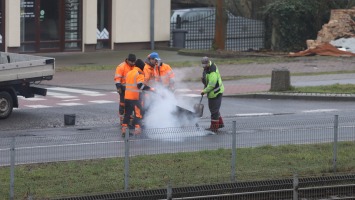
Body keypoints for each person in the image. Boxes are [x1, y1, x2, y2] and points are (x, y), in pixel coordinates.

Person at [121, 59, 155, 136]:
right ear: (141, 67)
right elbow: (140, 85)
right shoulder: (139, 73)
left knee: (127, 114)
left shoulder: (129, 72)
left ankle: (124, 130)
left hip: (127, 97)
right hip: (135, 97)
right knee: (138, 114)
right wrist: (150, 89)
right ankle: (137, 130)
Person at [200, 56, 225, 132]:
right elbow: (206, 78)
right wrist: (204, 81)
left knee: (214, 111)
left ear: (208, 63)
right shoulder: (206, 68)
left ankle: (214, 128)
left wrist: (204, 91)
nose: (203, 66)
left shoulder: (212, 70)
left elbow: (212, 85)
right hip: (212, 92)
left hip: (216, 92)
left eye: (204, 65)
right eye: (202, 65)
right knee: (214, 109)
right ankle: (220, 124)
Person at [114, 54, 136, 124]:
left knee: (132, 103)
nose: (132, 63)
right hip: (123, 88)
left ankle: (130, 116)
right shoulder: (121, 67)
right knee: (123, 103)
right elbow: (117, 78)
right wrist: (118, 87)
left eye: (134, 62)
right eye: (131, 62)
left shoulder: (135, 66)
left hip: (132, 89)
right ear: (128, 60)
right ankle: (122, 117)